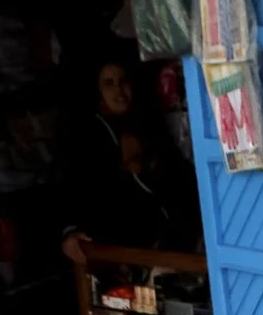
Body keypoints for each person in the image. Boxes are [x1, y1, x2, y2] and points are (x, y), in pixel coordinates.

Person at [60, 57, 202, 264]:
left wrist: (146, 168)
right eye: (108, 84)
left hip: (171, 247)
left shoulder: (149, 126)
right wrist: (70, 231)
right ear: (97, 92)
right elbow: (76, 187)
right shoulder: (87, 138)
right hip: (122, 252)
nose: (119, 90)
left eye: (123, 81)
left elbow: (179, 178)